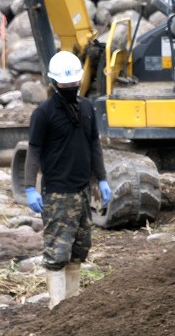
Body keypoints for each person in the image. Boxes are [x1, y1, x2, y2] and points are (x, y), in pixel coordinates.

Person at [23, 51, 111, 308]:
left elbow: (94, 142)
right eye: (66, 83)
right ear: (54, 83)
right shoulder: (44, 113)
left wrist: (102, 178)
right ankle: (57, 307)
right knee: (57, 252)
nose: (71, 87)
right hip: (58, 193)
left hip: (83, 191)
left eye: (74, 82)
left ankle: (72, 306)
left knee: (79, 249)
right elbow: (34, 149)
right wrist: (30, 187)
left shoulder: (86, 107)